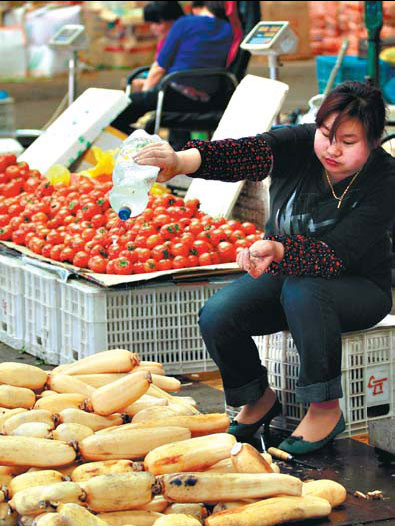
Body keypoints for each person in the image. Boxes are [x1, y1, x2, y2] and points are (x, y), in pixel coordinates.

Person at [132, 81, 395, 455]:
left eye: (348, 142)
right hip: (290, 276)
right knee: (219, 314)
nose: (332, 149)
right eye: (325, 135)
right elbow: (245, 153)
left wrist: (276, 247)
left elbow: (335, 254)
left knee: (305, 289)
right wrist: (178, 161)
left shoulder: (385, 180)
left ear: (372, 141)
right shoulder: (300, 144)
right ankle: (257, 397)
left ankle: (324, 407)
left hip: (359, 288)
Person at [112, 1, 233, 149]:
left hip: (178, 92)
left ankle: (135, 146)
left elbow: (159, 68)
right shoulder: (228, 28)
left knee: (119, 109)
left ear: (196, 8)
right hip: (211, 98)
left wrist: (144, 96)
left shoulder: (184, 23)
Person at [129, 2, 184, 93]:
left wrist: (144, 93)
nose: (153, 28)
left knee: (137, 83)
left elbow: (160, 69)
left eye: (158, 23)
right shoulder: (163, 40)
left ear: (175, 20)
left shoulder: (176, 40)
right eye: (150, 24)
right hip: (168, 79)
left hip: (174, 82)